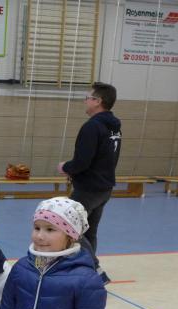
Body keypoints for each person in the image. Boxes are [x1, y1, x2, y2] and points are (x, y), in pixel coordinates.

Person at [57, 82, 122, 285]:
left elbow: (82, 162)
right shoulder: (114, 127)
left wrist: (66, 167)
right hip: (104, 188)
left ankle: (96, 270)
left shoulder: (92, 126)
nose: (85, 101)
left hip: (88, 189)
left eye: (88, 98)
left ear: (97, 101)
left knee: (70, 227)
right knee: (88, 231)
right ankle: (88, 271)